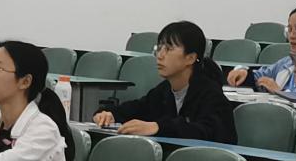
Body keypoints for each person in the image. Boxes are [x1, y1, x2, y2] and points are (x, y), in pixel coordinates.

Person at [95, 20, 236, 141]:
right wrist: (109, 114)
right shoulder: (163, 91)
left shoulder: (211, 95)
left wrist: (158, 127)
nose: (160, 55)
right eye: (159, 48)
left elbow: (208, 131)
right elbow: (136, 108)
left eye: (168, 49)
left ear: (191, 58)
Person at [228, 4, 296, 95]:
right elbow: (258, 76)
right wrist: (242, 72)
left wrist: (279, 93)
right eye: (289, 29)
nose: (292, 36)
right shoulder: (286, 63)